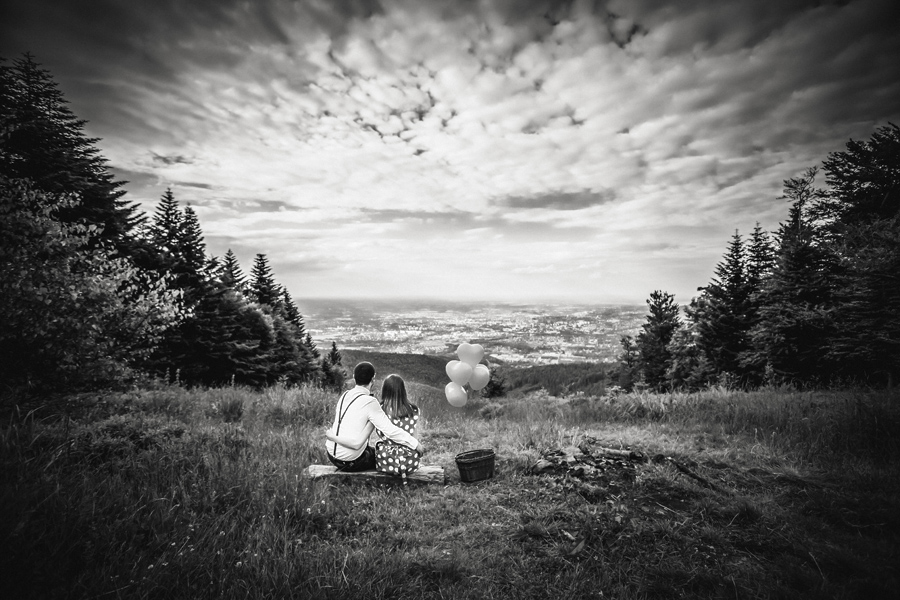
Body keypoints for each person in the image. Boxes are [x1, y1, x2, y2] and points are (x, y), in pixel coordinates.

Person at [324, 362, 424, 472]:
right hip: (351, 461)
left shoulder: (344, 396)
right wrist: (415, 444)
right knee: (380, 455)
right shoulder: (371, 402)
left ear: (354, 377)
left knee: (371, 447)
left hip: (331, 455)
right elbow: (390, 431)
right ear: (373, 379)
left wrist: (333, 438)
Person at [373, 374, 421, 480]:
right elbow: (414, 437)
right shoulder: (413, 410)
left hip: (386, 460)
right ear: (403, 390)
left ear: (385, 390)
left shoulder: (379, 409)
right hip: (409, 461)